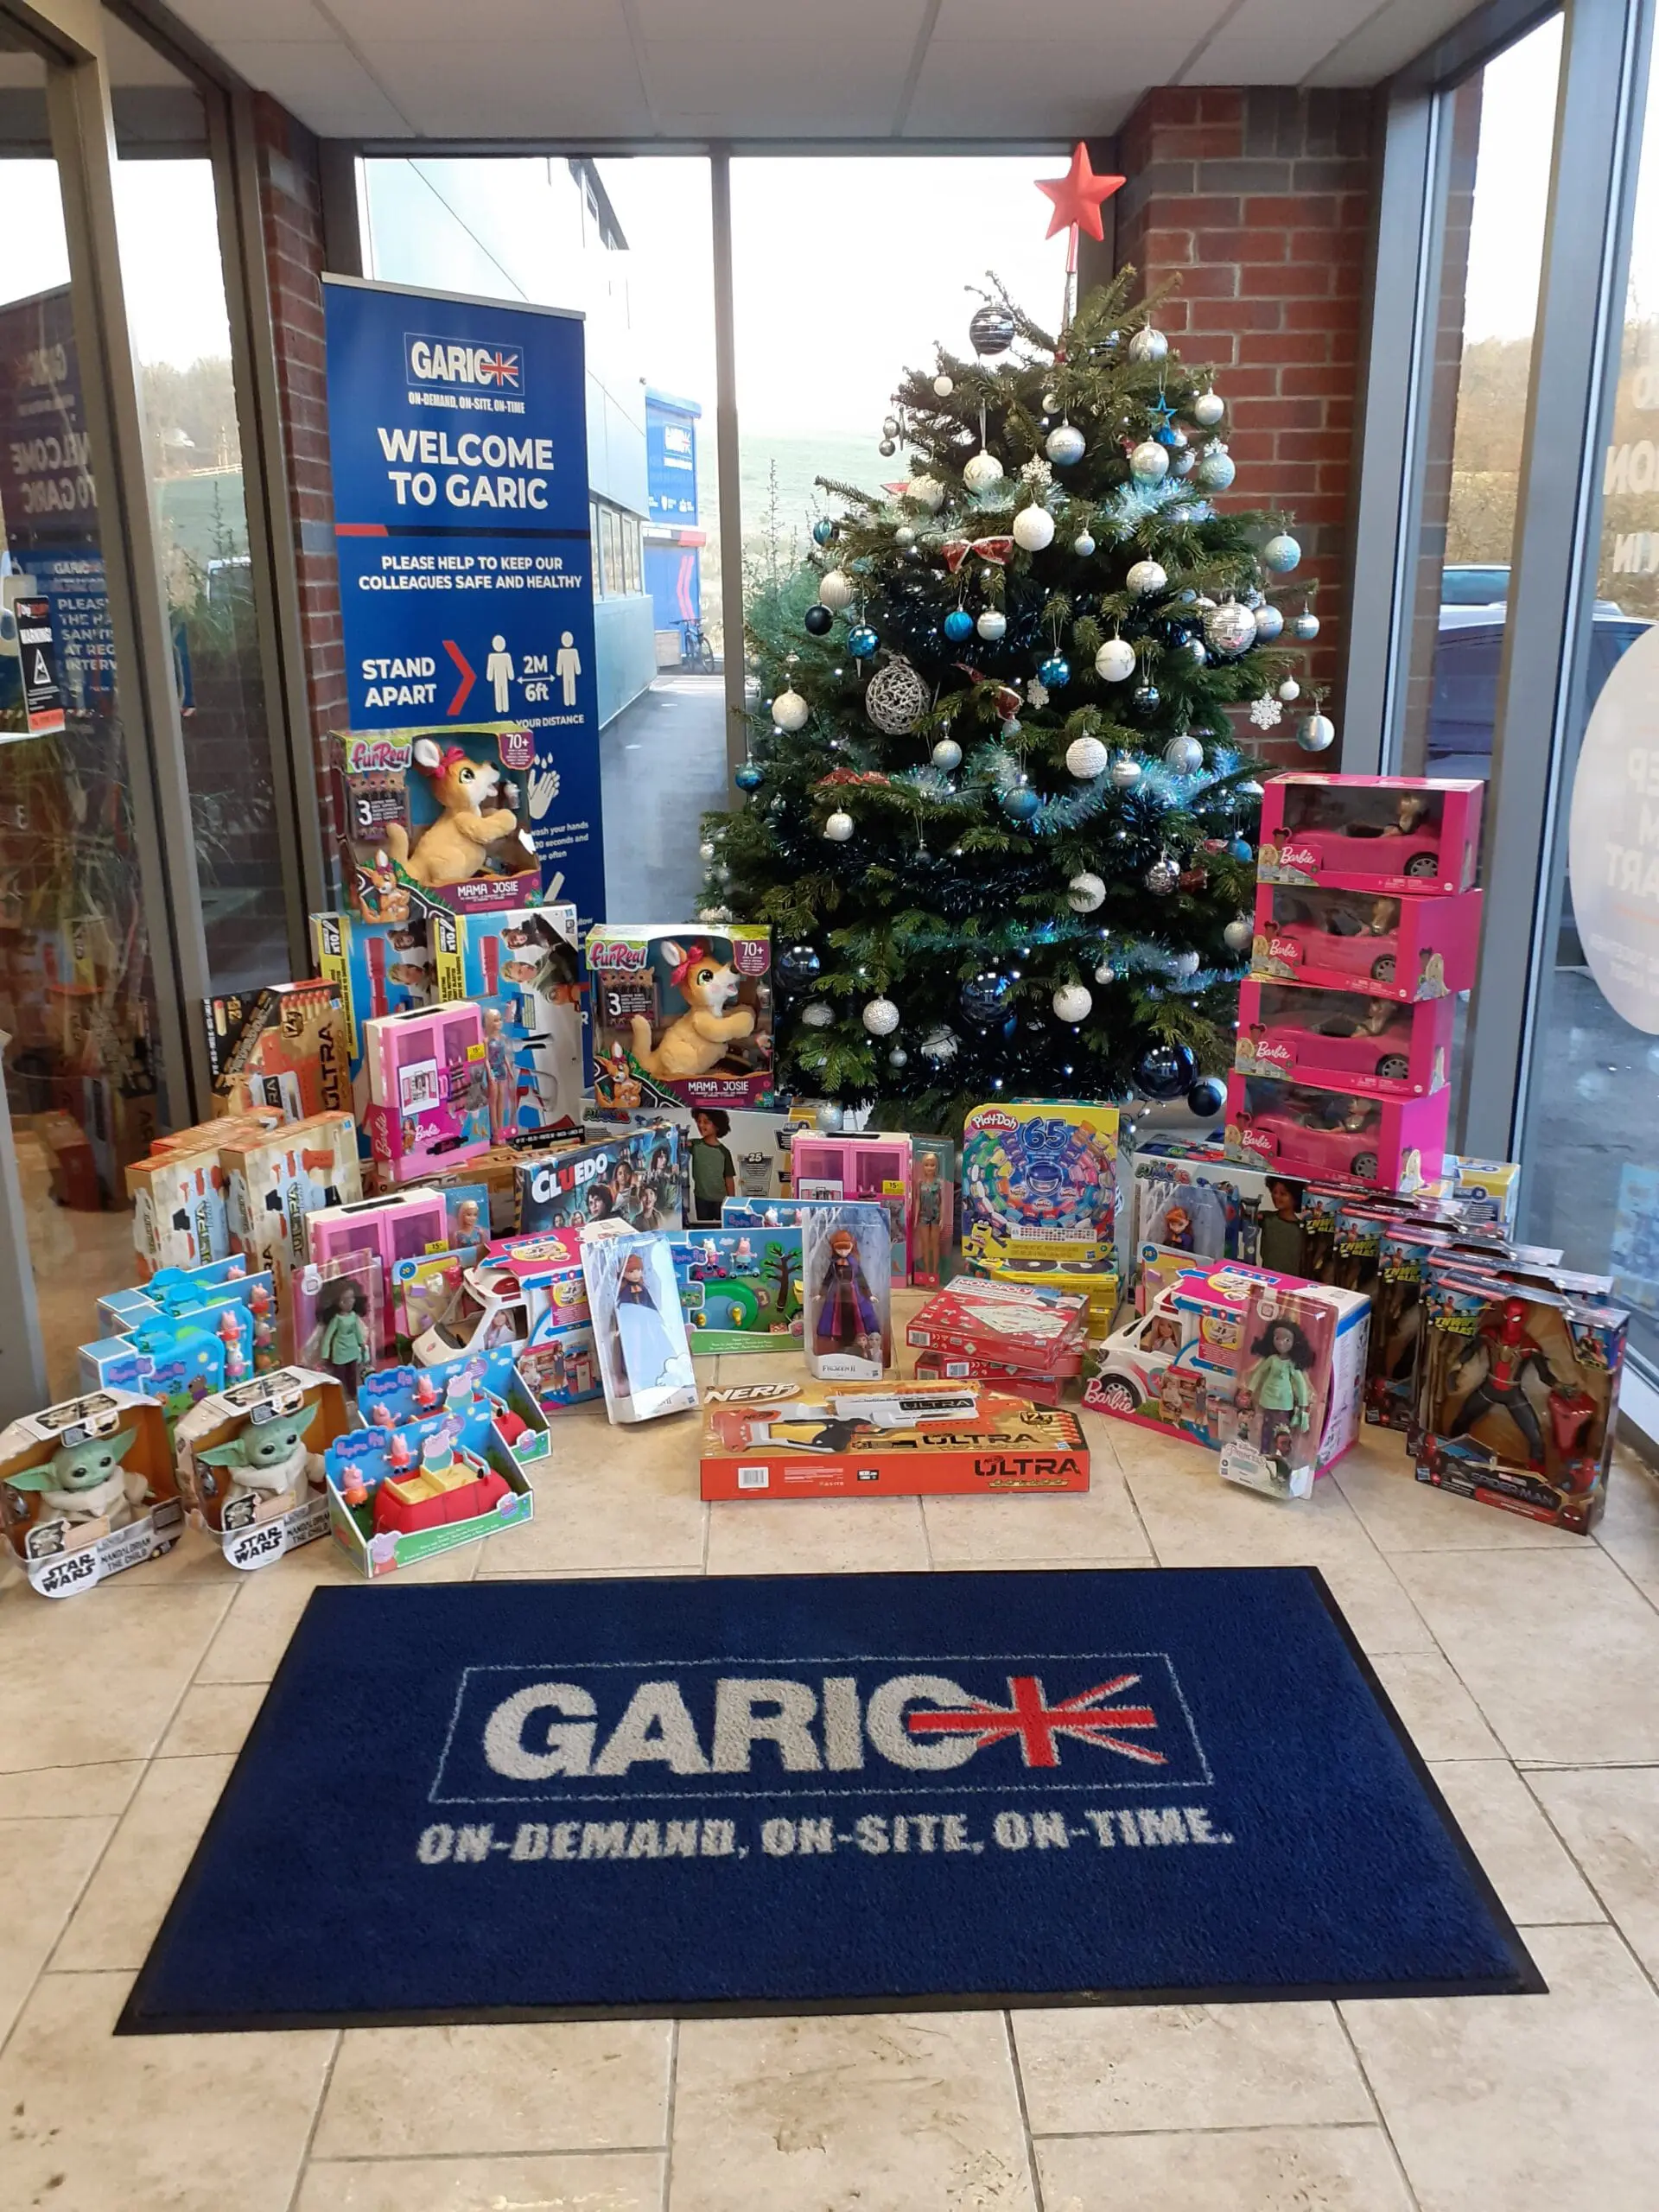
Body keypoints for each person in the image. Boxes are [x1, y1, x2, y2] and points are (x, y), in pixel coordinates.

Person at [1239, 1313, 1318, 1465]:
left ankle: (1281, 1456)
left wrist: (1303, 1405)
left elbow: (1301, 1385)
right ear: (1272, 1339)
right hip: (1267, 1398)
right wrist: (1249, 1390)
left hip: (1284, 1401)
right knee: (1266, 1427)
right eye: (1277, 1339)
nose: (1281, 1343)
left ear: (1295, 1342)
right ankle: (1265, 1452)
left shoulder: (1291, 1365)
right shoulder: (1272, 1360)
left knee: (1282, 1429)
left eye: (1287, 1340)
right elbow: (1259, 1373)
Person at [315, 1279, 372, 1404]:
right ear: (339, 1302)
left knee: (352, 1375)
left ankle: (353, 1394)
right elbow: (328, 1337)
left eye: (352, 1298)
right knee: (340, 1376)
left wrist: (361, 1344)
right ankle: (341, 1396)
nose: (351, 1301)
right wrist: (324, 1355)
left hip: (352, 1349)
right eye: (346, 1299)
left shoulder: (353, 1317)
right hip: (340, 1352)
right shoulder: (337, 1319)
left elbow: (357, 1332)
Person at [689, 1108, 737, 1225]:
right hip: (701, 1198)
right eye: (699, 1121)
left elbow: (729, 1179)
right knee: (704, 1228)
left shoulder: (724, 1152)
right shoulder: (695, 1145)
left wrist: (732, 1202)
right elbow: (680, 1143)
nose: (701, 1125)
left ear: (717, 1125)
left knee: (722, 1226)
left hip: (720, 1199)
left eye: (706, 1122)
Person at [912, 1150, 944, 1284]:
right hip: (923, 1216)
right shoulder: (919, 1183)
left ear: (937, 1166)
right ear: (923, 1166)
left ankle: (935, 1272)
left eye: (932, 1165)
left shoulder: (939, 1182)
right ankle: (926, 1273)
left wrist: (942, 1217)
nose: (930, 1168)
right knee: (925, 1245)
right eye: (927, 1165)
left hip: (936, 1216)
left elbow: (942, 1201)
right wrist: (915, 1218)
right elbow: (918, 1200)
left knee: (935, 1245)